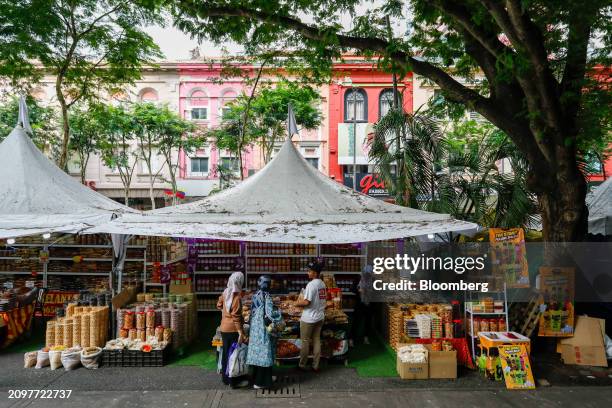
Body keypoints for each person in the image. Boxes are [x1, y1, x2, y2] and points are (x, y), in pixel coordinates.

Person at [246, 275, 284, 389]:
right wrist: (279, 313)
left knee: (258, 355)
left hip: (255, 330)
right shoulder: (266, 296)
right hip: (263, 330)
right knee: (265, 354)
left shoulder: (256, 295)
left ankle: (257, 378)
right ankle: (261, 382)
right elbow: (270, 314)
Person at [216, 271, 249, 388]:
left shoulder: (225, 293)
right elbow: (236, 317)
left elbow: (219, 305)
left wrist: (225, 314)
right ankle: (234, 381)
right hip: (233, 330)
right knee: (234, 355)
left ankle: (226, 379)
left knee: (226, 353)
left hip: (224, 328)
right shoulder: (236, 297)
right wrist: (240, 332)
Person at [296, 261, 326, 372]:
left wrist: (296, 303)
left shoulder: (311, 285)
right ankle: (316, 365)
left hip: (309, 318)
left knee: (305, 341)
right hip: (320, 317)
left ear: (314, 273)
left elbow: (306, 302)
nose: (307, 273)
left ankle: (302, 365)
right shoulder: (322, 284)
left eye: (309, 271)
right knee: (317, 340)